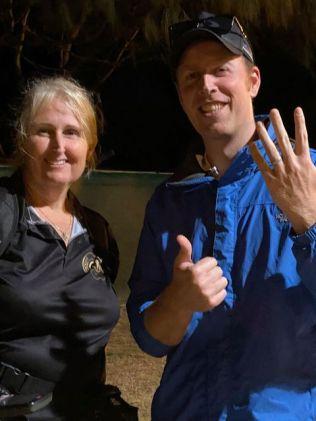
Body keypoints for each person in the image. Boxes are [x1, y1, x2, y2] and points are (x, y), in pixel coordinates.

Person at [127, 11, 316, 420]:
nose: (206, 86)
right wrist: (177, 302)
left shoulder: (309, 175)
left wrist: (309, 222)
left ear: (253, 81)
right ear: (180, 95)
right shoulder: (170, 201)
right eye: (191, 77)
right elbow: (149, 337)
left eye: (220, 70)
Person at [0, 77, 136, 420]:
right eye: (44, 131)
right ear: (23, 140)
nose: (59, 145)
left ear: (89, 147)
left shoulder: (97, 232)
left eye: (72, 132)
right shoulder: (5, 213)